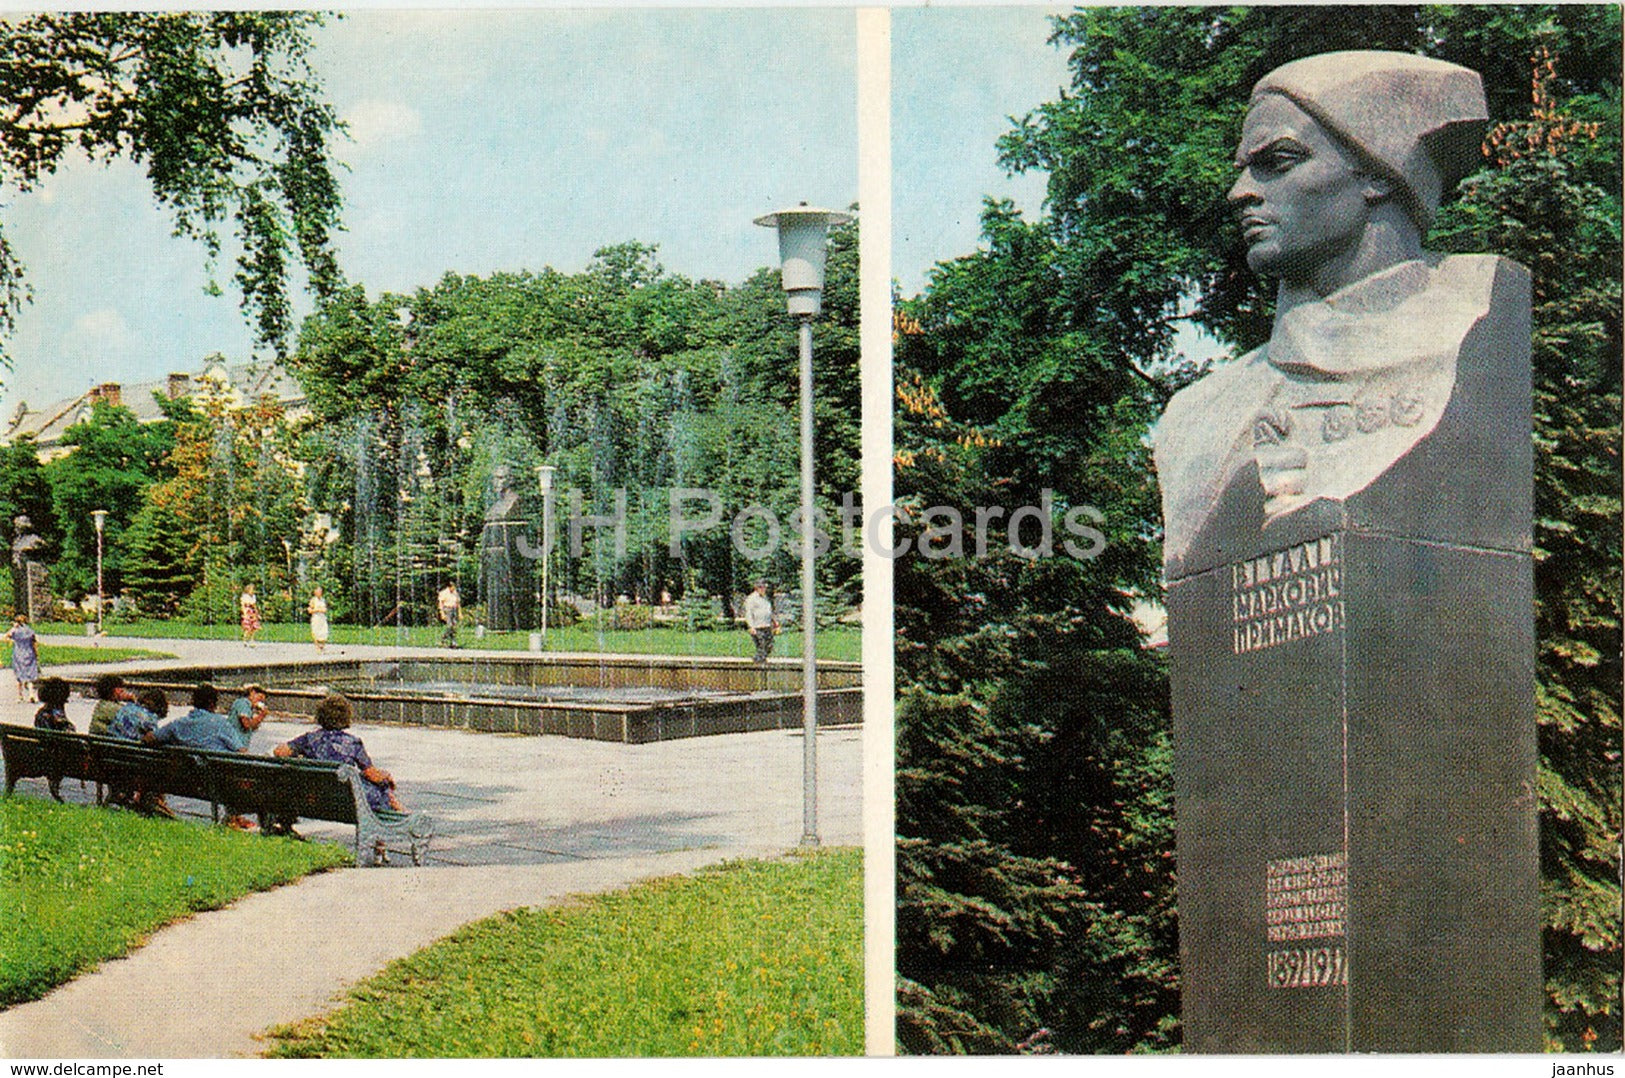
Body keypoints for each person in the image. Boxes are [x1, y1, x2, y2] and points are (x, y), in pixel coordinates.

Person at [1155, 51, 1497, 571]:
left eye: (1279, 162)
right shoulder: (1196, 416)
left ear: (1378, 174)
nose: (1240, 193)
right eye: (1245, 169)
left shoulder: (1475, 314)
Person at [274, 693, 404, 857]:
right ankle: (399, 821)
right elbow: (371, 773)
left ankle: (394, 822)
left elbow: (279, 752)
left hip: (316, 798)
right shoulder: (352, 743)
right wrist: (387, 776)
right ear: (345, 717)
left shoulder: (309, 739)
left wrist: (300, 757)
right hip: (346, 801)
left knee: (374, 785)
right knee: (381, 786)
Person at [106, 688, 172, 815]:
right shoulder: (149, 719)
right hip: (130, 763)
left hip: (110, 757)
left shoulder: (125, 709)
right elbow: (154, 739)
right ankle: (153, 802)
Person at [5, 613, 40, 703]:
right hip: (29, 652)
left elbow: (6, 636)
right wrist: (36, 654)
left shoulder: (15, 631)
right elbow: (34, 642)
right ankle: (31, 693)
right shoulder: (30, 631)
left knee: (19, 674)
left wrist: (13, 631)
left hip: (18, 652)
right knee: (30, 673)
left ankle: (20, 696)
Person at [743, 580, 778, 664]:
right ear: (756, 588)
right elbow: (749, 613)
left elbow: (768, 611)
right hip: (758, 626)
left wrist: (774, 621)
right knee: (762, 645)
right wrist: (751, 626)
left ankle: (760, 660)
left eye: (764, 587)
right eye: (761, 587)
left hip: (767, 625)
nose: (763, 589)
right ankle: (758, 662)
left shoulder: (765, 598)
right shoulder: (751, 599)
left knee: (769, 645)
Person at [437, 582, 460, 648]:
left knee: (454, 626)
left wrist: (459, 612)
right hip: (447, 609)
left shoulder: (455, 593)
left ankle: (453, 641)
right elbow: (440, 604)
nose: (454, 588)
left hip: (454, 609)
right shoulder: (444, 593)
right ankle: (443, 639)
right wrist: (442, 613)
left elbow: (458, 603)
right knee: (449, 625)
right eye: (453, 587)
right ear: (449, 587)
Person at [307, 586, 330, 652]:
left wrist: (322, 610)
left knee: (324, 631)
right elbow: (309, 610)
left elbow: (325, 609)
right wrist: (316, 610)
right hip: (316, 617)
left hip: (322, 618)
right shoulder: (313, 600)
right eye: (318, 591)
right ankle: (317, 647)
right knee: (315, 632)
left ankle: (322, 646)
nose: (320, 593)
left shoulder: (323, 600)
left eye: (321, 591)